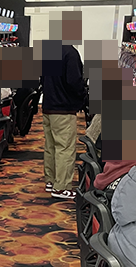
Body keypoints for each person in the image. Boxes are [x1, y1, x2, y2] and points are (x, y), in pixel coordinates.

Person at [41, 43, 87, 200]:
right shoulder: (71, 53)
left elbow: (42, 79)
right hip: (63, 109)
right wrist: (83, 97)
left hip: (48, 106)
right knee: (65, 148)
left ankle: (51, 180)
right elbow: (74, 81)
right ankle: (61, 188)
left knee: (51, 146)